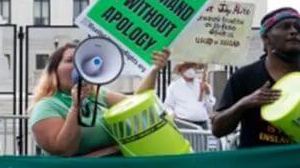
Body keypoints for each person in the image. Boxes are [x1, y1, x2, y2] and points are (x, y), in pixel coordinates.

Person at [29, 43, 168, 157]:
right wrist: (76, 107)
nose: (79, 65)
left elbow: (137, 105)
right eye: (71, 60)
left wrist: (154, 70)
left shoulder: (99, 96)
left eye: (83, 60)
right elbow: (64, 150)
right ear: (54, 71)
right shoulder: (46, 106)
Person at [211, 6, 300, 147]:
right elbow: (217, 129)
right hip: (257, 167)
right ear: (266, 38)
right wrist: (244, 103)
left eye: (297, 27)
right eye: (285, 27)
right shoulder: (244, 77)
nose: (294, 31)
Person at [163, 62, 215, 129]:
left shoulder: (203, 85)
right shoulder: (174, 86)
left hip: (202, 124)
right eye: (187, 67)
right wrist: (171, 114)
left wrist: (207, 94)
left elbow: (209, 108)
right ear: (180, 70)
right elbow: (168, 106)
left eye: (192, 67)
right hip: (184, 123)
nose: (190, 70)